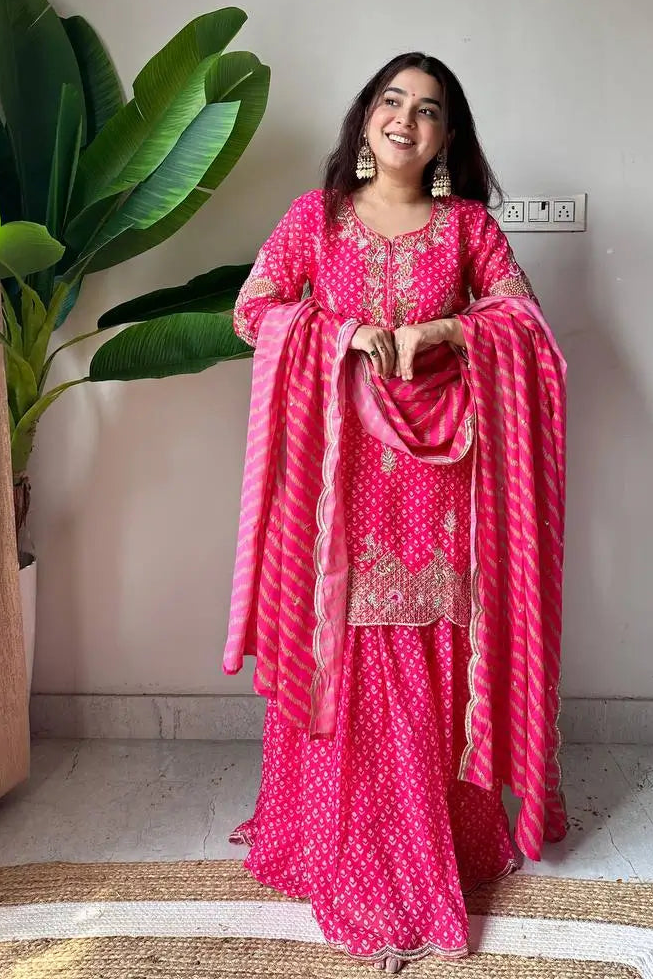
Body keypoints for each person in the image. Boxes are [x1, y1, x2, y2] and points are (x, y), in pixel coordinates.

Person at [224, 53, 567, 971]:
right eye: (391, 101)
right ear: (366, 117)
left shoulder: (467, 228)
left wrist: (449, 329)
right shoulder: (317, 219)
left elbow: (526, 324)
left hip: (442, 481)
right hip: (339, 482)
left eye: (428, 110)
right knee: (350, 647)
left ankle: (432, 844)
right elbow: (254, 311)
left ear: (448, 138)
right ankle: (344, 847)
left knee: (433, 643)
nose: (406, 120)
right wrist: (341, 333)